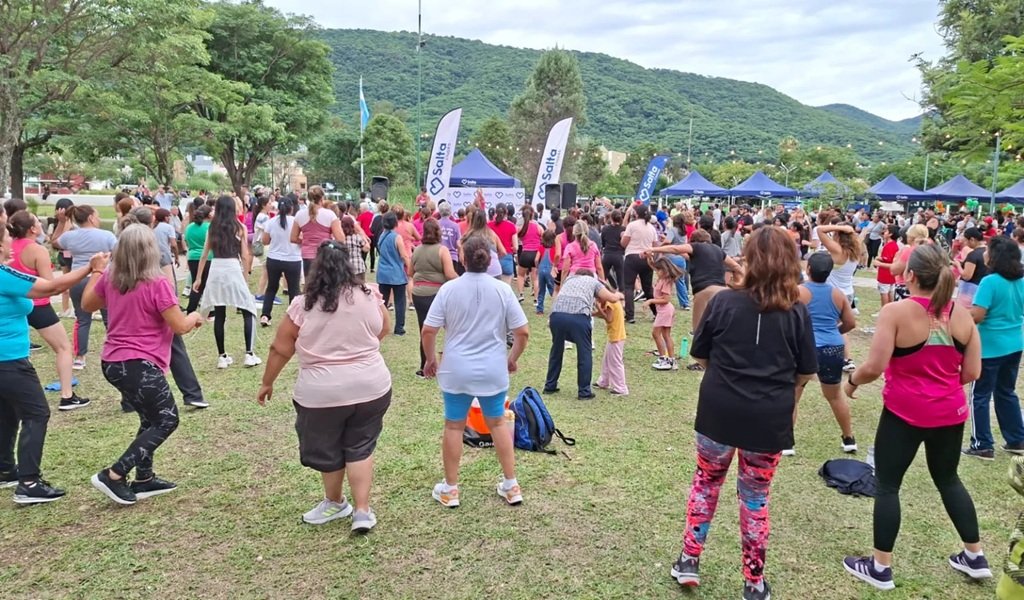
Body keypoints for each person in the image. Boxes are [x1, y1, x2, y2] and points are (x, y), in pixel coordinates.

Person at [670, 227, 817, 600]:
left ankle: (689, 559)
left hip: (720, 410)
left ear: (750, 258)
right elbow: (805, 370)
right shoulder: (796, 311)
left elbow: (700, 353)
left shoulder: (723, 302)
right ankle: (753, 581)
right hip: (768, 418)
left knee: (707, 483)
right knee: (755, 498)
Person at [842, 243, 990, 590]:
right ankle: (975, 555)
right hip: (950, 412)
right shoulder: (962, 314)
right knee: (949, 480)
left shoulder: (896, 312)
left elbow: (874, 367)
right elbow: (972, 371)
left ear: (909, 275)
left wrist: (851, 382)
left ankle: (880, 567)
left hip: (903, 412)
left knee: (888, 485)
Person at [258, 241, 391, 532]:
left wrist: (267, 382)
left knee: (328, 448)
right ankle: (363, 511)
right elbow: (385, 328)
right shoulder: (369, 295)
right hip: (371, 386)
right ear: (349, 265)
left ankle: (334, 502)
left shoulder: (303, 304)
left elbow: (280, 348)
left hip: (321, 395)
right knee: (360, 446)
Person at [82, 225, 203, 505]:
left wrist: (99, 270)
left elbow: (87, 305)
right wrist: (195, 315)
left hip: (114, 362)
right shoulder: (158, 283)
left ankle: (145, 478)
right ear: (151, 251)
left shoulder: (111, 278)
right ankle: (113, 474)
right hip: (139, 364)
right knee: (167, 419)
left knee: (150, 419)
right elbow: (179, 326)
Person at [0, 223, 109, 503]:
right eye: (7, 238)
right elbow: (52, 287)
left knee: (8, 413)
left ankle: (4, 470)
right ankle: (28, 483)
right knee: (36, 413)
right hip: (9, 361)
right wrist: (92, 269)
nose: (12, 243)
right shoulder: (3, 275)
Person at [420, 236, 529, 508]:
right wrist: (512, 358)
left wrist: (431, 359)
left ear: (463, 259)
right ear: (490, 260)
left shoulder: (449, 289)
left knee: (454, 425)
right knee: (497, 423)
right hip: (493, 368)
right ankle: (511, 484)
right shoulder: (503, 290)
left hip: (456, 369)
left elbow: (428, 329)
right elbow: (523, 331)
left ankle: (451, 488)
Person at [7, 211, 87, 410]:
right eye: (38, 222)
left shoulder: (7, 247)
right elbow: (50, 285)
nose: (41, 225)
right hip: (38, 305)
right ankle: (67, 396)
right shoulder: (36, 250)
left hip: (13, 307)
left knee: (19, 352)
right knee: (63, 348)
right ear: (33, 229)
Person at [789, 253, 858, 457]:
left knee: (794, 393)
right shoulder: (838, 294)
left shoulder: (799, 292)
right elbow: (850, 322)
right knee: (834, 394)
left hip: (806, 347)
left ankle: (786, 441)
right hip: (832, 347)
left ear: (808, 269)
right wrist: (835, 332)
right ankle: (849, 438)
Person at [964, 236, 1024, 459]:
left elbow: (978, 315)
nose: (984, 254)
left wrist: (961, 314)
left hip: (989, 347)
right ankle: (1017, 438)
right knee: (1006, 392)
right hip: (1014, 343)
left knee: (980, 394)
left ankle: (982, 444)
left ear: (995, 256)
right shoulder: (1021, 281)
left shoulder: (990, 282)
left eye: (987, 250)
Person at [194, 195, 260, 368]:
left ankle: (222, 356)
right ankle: (249, 353)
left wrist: (199, 278)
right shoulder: (240, 228)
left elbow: (204, 254)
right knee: (248, 309)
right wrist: (245, 277)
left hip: (216, 268)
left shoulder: (212, 228)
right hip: (232, 268)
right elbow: (245, 256)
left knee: (219, 312)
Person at [50, 204, 118, 371]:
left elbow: (54, 242)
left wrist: (61, 222)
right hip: (101, 278)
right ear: (91, 217)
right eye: (97, 215)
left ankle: (80, 357)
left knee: (82, 319)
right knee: (110, 318)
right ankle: (116, 351)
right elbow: (118, 253)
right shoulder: (107, 235)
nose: (99, 218)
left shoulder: (70, 237)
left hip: (78, 279)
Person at [544, 269, 624, 399]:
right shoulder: (593, 281)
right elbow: (612, 298)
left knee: (556, 351)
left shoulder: (569, 280)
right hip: (579, 319)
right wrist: (620, 295)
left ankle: (550, 385)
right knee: (584, 353)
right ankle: (584, 391)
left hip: (556, 316)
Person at [411, 219, 459, 377]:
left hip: (418, 294)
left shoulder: (417, 250)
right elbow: (450, 274)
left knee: (424, 330)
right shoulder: (442, 250)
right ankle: (452, 364)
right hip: (437, 294)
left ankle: (424, 366)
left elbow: (411, 272)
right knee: (451, 329)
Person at [260, 198, 302, 327]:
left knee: (271, 288)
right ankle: (293, 318)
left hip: (274, 259)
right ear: (292, 208)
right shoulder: (296, 222)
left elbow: (265, 241)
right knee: (294, 289)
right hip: (292, 259)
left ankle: (265, 315)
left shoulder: (271, 222)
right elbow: (301, 239)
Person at [293, 186, 344, 274]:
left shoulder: (299, 214)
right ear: (322, 198)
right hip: (325, 255)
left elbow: (293, 238)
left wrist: (306, 241)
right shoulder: (330, 214)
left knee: (310, 284)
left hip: (307, 256)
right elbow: (340, 239)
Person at [645, 255, 683, 370]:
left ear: (664, 270)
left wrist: (651, 300)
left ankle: (663, 358)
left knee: (656, 334)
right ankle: (671, 360)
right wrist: (649, 258)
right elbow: (654, 267)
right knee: (666, 335)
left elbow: (666, 299)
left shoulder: (665, 281)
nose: (657, 272)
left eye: (659, 270)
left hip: (665, 310)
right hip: (666, 310)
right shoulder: (662, 277)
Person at [376, 211, 411, 335]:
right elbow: (404, 255)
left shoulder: (381, 236)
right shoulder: (396, 237)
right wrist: (410, 267)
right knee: (400, 301)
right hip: (396, 273)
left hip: (383, 272)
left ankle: (380, 325)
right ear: (395, 223)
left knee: (383, 301)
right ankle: (399, 328)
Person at [621, 204, 658, 323]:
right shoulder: (651, 228)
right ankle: (656, 312)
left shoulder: (632, 225)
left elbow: (624, 243)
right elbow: (656, 245)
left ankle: (630, 315)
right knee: (648, 287)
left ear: (636, 214)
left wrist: (623, 237)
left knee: (628, 286)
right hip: (646, 257)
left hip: (632, 256)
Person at [593, 286, 628, 395]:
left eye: (598, 298)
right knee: (607, 360)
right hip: (615, 335)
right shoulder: (613, 301)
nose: (598, 301)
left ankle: (621, 388)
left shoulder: (610, 303)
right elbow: (605, 315)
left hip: (616, 336)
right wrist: (592, 313)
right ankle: (604, 381)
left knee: (615, 362)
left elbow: (609, 318)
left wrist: (598, 308)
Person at [183, 205, 211, 314]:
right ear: (208, 215)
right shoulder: (209, 227)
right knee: (207, 284)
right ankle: (210, 310)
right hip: (207, 257)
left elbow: (186, 240)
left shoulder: (189, 227)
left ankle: (191, 308)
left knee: (196, 283)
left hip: (192, 256)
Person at [516, 205, 544, 301]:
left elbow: (517, 238)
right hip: (536, 254)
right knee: (535, 278)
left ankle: (520, 294)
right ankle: (536, 298)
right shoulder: (538, 227)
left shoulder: (520, 228)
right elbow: (544, 239)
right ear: (533, 214)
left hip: (525, 253)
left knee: (520, 275)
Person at [958, 227, 987, 308]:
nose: (965, 244)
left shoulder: (973, 255)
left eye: (966, 241)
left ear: (972, 240)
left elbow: (967, 276)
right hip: (983, 289)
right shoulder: (988, 251)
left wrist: (957, 265)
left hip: (970, 291)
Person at [873, 225, 900, 308]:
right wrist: (880, 258)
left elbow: (887, 260)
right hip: (892, 275)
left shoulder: (889, 246)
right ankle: (891, 309)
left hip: (885, 274)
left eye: (886, 231)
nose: (884, 232)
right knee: (890, 292)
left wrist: (878, 262)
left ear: (890, 234)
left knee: (884, 292)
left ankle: (884, 309)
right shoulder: (894, 245)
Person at [535, 230, 560, 315]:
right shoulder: (555, 248)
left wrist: (537, 267)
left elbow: (536, 259)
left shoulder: (541, 247)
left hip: (541, 270)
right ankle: (556, 307)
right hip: (550, 270)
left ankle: (539, 309)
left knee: (541, 289)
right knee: (552, 289)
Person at [600, 210, 626, 290]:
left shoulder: (605, 228)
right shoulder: (623, 229)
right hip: (619, 254)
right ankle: (622, 297)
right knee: (620, 278)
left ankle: (600, 294)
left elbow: (603, 242)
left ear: (611, 218)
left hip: (607, 254)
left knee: (602, 277)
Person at [340, 216, 370, 283]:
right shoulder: (357, 237)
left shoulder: (340, 239)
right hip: (358, 266)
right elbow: (367, 248)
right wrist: (364, 238)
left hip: (345, 267)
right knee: (361, 289)